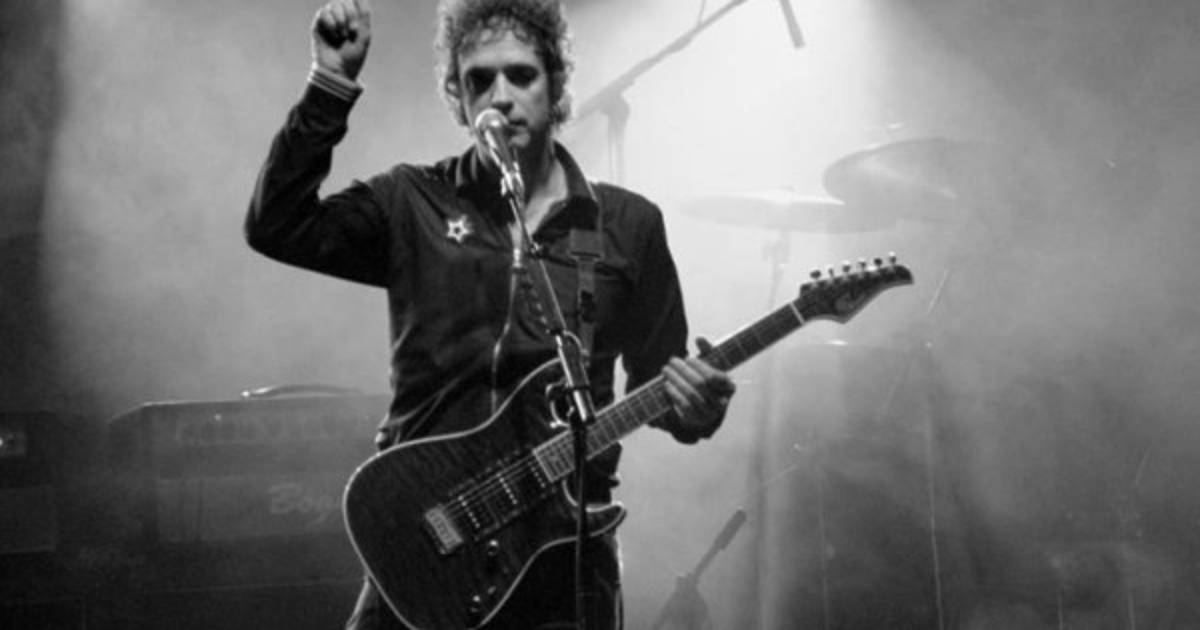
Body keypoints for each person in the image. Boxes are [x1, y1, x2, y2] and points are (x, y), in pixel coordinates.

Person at [245, 0, 736, 627]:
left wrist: (697, 410)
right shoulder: (412, 202)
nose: (500, 98)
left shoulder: (628, 226)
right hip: (426, 539)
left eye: (521, 76)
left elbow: (659, 383)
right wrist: (330, 85)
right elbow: (278, 225)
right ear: (457, 97)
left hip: (562, 556)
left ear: (556, 86)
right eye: (479, 80)